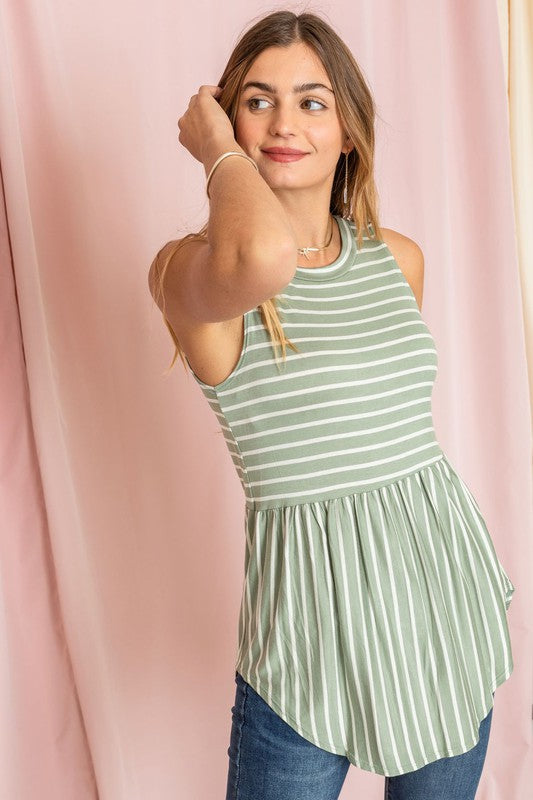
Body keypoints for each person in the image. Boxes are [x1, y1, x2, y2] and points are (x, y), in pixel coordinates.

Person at [148, 9, 515, 800]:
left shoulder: (397, 258)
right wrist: (214, 147)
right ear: (225, 114)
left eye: (312, 102)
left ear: (348, 129)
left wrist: (229, 134)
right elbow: (267, 254)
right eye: (256, 100)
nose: (284, 123)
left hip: (441, 609)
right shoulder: (192, 273)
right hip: (306, 639)